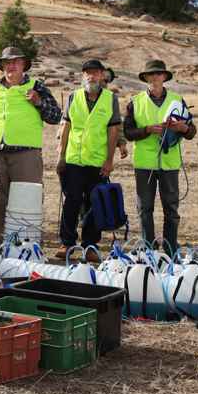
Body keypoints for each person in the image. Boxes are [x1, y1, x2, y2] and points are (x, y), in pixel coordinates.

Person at [0, 47, 61, 248]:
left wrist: (39, 102)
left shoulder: (37, 86)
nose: (11, 66)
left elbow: (55, 116)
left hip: (26, 155)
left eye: (16, 62)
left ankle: (26, 249)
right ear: (2, 66)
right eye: (7, 62)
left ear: (24, 65)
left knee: (26, 202)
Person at [124, 59, 196, 257]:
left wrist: (183, 127)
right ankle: (149, 249)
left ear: (164, 77)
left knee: (171, 209)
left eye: (159, 74)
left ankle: (171, 249)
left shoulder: (177, 100)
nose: (155, 77)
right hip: (145, 164)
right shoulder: (135, 102)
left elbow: (192, 132)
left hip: (169, 164)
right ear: (146, 78)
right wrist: (147, 130)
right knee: (144, 209)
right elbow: (128, 132)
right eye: (151, 74)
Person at [55, 60, 120, 261]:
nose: (91, 76)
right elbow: (65, 127)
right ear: (83, 76)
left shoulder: (110, 99)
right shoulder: (74, 97)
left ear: (102, 76)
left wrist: (109, 160)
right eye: (88, 73)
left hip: (97, 163)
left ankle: (90, 246)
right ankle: (67, 243)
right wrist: (61, 157)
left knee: (94, 204)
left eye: (95, 73)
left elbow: (113, 131)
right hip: (74, 160)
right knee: (71, 202)